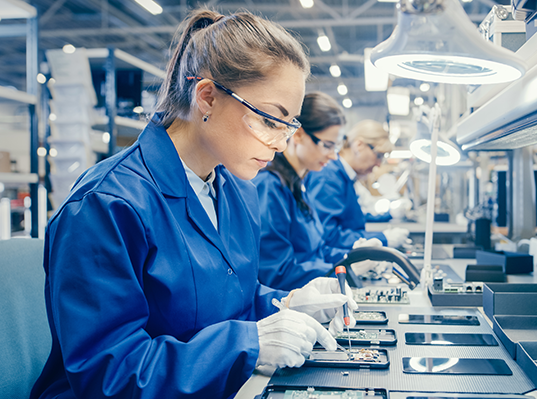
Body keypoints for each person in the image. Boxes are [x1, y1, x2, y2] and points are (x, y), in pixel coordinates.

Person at [31, 9, 357, 399]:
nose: (282, 143)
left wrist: (286, 304)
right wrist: (249, 343)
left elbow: (231, 298)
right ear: (207, 97)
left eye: (290, 126)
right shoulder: (106, 205)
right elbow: (109, 374)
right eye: (271, 120)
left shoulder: (235, 190)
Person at [253, 92, 350, 290]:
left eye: (336, 147)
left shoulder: (299, 183)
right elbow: (276, 272)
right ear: (298, 135)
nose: (333, 156)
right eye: (327, 146)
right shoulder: (271, 187)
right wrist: (335, 271)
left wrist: (351, 259)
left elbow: (316, 251)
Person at [304, 120, 408, 249]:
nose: (379, 164)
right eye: (378, 155)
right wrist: (381, 239)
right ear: (359, 145)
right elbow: (328, 235)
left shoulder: (343, 177)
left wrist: (388, 216)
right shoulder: (328, 177)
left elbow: (350, 219)